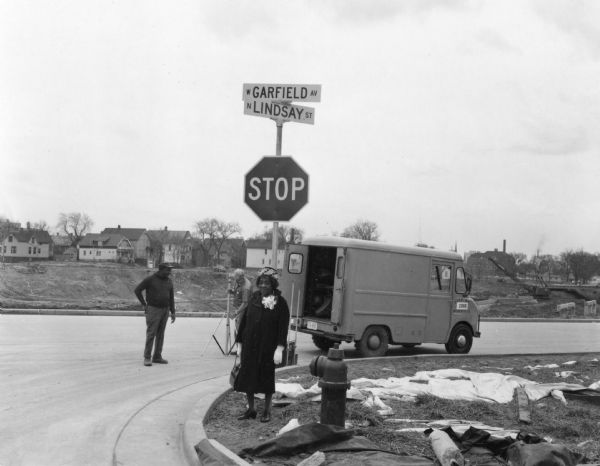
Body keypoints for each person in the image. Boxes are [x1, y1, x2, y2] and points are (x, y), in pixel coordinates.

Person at [233, 267, 289, 423]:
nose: (263, 286)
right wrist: (240, 343)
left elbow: (283, 327)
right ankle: (251, 409)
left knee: (266, 378)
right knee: (248, 377)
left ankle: (266, 410)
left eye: (267, 283)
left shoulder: (280, 302)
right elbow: (244, 321)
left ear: (273, 284)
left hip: (267, 347)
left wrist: (279, 348)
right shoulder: (254, 297)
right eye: (261, 282)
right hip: (250, 345)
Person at [134, 263, 176, 367]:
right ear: (161, 270)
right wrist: (144, 305)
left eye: (170, 270)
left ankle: (157, 356)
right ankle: (147, 357)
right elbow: (137, 290)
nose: (169, 272)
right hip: (153, 310)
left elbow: (171, 297)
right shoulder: (150, 279)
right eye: (167, 270)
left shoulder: (169, 281)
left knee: (160, 335)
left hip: (165, 310)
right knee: (151, 333)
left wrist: (173, 312)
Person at [228, 269, 252, 335]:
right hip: (238, 306)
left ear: (241, 277)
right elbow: (238, 292)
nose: (235, 280)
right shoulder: (238, 281)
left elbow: (245, 303)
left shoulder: (246, 287)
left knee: (240, 325)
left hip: (244, 309)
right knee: (237, 324)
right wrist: (232, 291)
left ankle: (241, 340)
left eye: (236, 278)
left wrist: (236, 312)